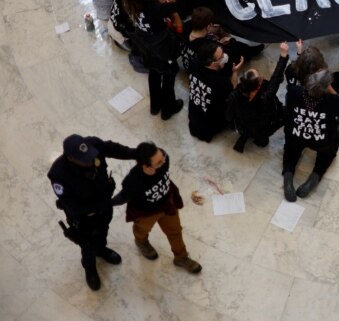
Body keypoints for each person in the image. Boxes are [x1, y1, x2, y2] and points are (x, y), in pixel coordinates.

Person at [47, 134, 137, 290]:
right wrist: (106, 203)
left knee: (103, 230)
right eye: (84, 159)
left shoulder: (92, 145)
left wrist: (135, 153)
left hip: (104, 206)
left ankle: (101, 250)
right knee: (87, 245)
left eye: (90, 156)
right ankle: (90, 268)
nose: (90, 160)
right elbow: (73, 206)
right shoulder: (59, 174)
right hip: (84, 218)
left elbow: (112, 149)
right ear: (70, 158)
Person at [111, 142, 202, 274]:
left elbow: (163, 159)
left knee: (175, 231)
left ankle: (181, 257)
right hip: (146, 212)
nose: (164, 162)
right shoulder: (133, 181)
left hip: (167, 204)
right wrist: (106, 204)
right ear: (146, 167)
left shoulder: (164, 158)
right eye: (158, 162)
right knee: (142, 230)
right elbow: (123, 197)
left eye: (162, 157)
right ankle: (141, 242)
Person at [121, 0, 185, 120]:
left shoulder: (132, 4)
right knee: (169, 76)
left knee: (154, 74)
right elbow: (180, 2)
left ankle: (155, 106)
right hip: (162, 49)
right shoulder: (153, 8)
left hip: (146, 47)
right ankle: (168, 110)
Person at [283, 69, 339, 202]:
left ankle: (288, 176)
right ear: (326, 88)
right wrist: (330, 89)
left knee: (290, 149)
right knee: (328, 151)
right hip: (320, 140)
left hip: (296, 134)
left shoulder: (295, 91)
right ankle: (315, 176)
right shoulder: (333, 101)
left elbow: (288, 107)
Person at [227, 42, 290, 152]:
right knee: (287, 114)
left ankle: (244, 136)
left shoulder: (236, 94)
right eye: (259, 76)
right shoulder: (265, 98)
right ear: (259, 84)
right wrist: (283, 56)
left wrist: (235, 72)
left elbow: (229, 116)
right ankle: (257, 140)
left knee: (249, 128)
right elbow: (275, 79)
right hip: (261, 128)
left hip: (243, 126)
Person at [188, 41, 244, 142]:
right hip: (209, 125)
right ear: (213, 63)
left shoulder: (194, 64)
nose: (225, 56)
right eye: (221, 56)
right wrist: (235, 72)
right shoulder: (221, 82)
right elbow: (232, 90)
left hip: (194, 115)